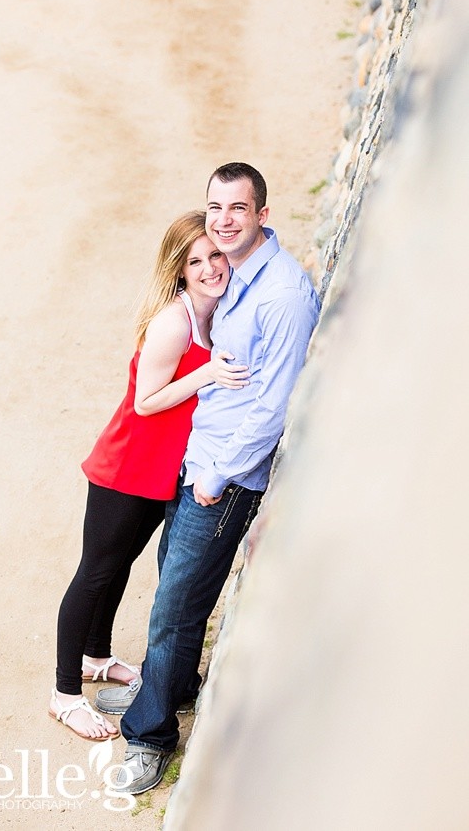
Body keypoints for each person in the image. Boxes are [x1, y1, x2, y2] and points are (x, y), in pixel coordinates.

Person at [95, 162, 320, 791]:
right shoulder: (239, 276)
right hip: (196, 461)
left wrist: (216, 477)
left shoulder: (282, 295)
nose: (223, 220)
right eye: (215, 206)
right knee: (175, 585)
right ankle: (170, 690)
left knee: (173, 604)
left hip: (221, 478)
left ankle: (150, 737)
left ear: (262, 215)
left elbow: (274, 405)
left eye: (238, 209)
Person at [49, 210, 249, 740]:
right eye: (196, 261)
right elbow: (145, 402)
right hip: (125, 468)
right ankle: (65, 694)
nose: (210, 267)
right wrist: (206, 372)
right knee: (96, 572)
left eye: (215, 255)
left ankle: (96, 656)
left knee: (119, 568)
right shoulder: (174, 322)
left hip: (157, 472)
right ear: (179, 270)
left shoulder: (216, 311)